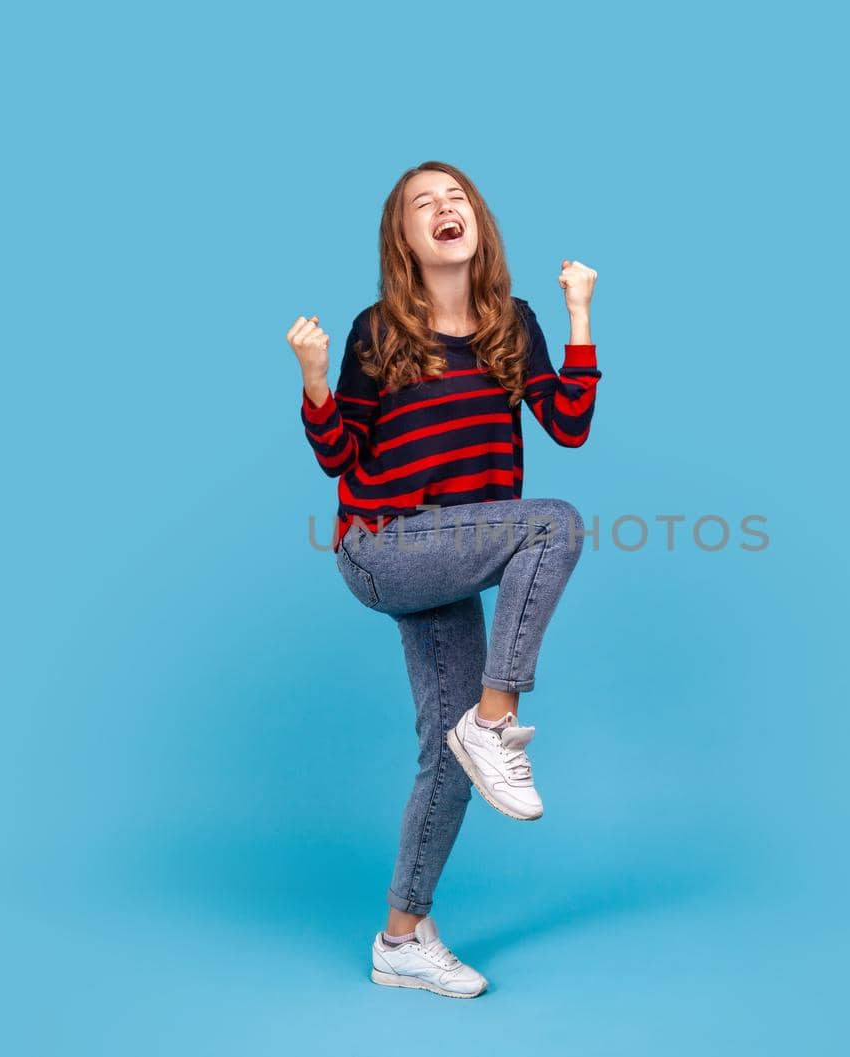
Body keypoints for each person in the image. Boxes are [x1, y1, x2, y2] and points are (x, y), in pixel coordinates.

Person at [284, 160, 601, 999]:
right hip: (383, 546)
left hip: (451, 549)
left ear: (478, 222)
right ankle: (497, 723)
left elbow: (568, 425)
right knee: (554, 522)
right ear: (405, 237)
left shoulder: (512, 324)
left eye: (455, 196)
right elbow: (338, 456)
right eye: (424, 204)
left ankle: (401, 937)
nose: (444, 208)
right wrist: (316, 379)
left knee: (444, 754)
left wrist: (578, 316)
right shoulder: (377, 329)